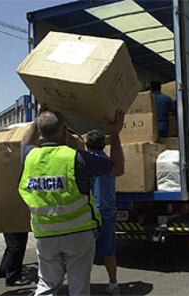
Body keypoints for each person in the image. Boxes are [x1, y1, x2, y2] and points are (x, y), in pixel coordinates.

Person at [18, 107, 125, 296]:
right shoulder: (76, 158)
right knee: (79, 285)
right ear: (64, 131)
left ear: (41, 132)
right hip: (78, 233)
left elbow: (25, 142)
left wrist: (38, 120)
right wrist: (115, 135)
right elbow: (117, 169)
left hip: (45, 234)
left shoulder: (29, 157)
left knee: (47, 284)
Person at [86, 130, 120, 295]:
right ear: (104, 145)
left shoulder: (85, 161)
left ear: (87, 145)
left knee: (84, 252)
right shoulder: (108, 162)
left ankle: (83, 286)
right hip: (108, 209)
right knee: (109, 250)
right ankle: (113, 284)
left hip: (89, 212)